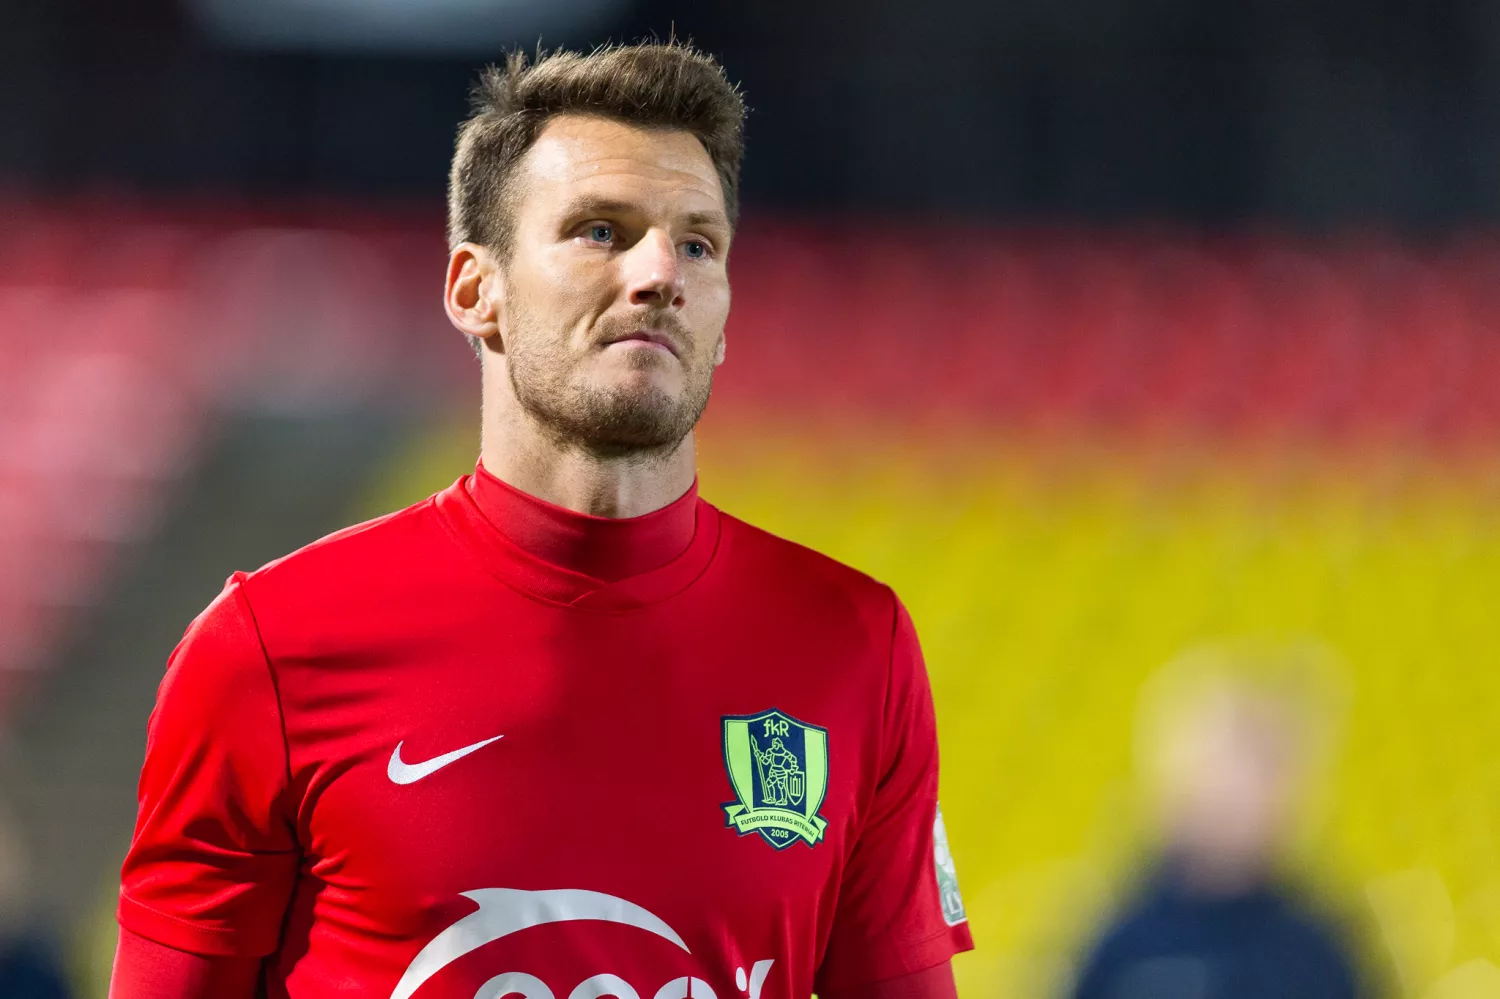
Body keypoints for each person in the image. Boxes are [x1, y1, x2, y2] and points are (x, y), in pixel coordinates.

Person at [108, 42, 972, 999]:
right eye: (602, 230)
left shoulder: (854, 644)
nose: (660, 273)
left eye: (698, 244)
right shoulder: (268, 649)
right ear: (475, 291)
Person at [1069, 648, 1362, 999]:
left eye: (1261, 775)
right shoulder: (1125, 947)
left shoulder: (1316, 952)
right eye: (1221, 770)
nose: (1236, 797)